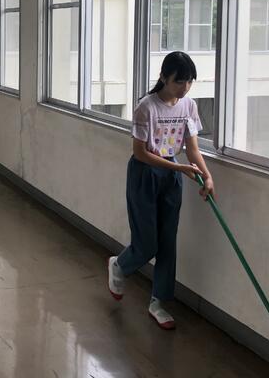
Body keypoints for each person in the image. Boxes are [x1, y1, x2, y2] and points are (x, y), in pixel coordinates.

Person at [107, 51, 215, 330]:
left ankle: (158, 302)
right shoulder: (146, 107)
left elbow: (192, 149)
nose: (185, 87)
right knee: (147, 244)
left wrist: (206, 176)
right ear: (164, 77)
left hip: (171, 176)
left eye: (189, 81)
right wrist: (179, 168)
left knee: (168, 242)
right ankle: (120, 265)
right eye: (179, 81)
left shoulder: (189, 106)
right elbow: (140, 153)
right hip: (145, 173)